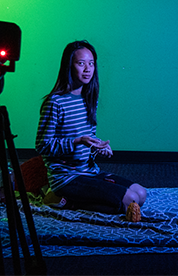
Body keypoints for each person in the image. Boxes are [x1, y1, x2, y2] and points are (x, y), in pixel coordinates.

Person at [35, 40, 147, 216]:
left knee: (141, 194)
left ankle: (73, 201)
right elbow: (42, 145)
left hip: (89, 171)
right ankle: (61, 198)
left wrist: (98, 148)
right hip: (67, 178)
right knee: (129, 202)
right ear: (69, 66)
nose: (88, 69)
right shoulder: (55, 102)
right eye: (81, 63)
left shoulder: (89, 98)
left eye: (91, 63)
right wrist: (77, 141)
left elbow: (88, 141)